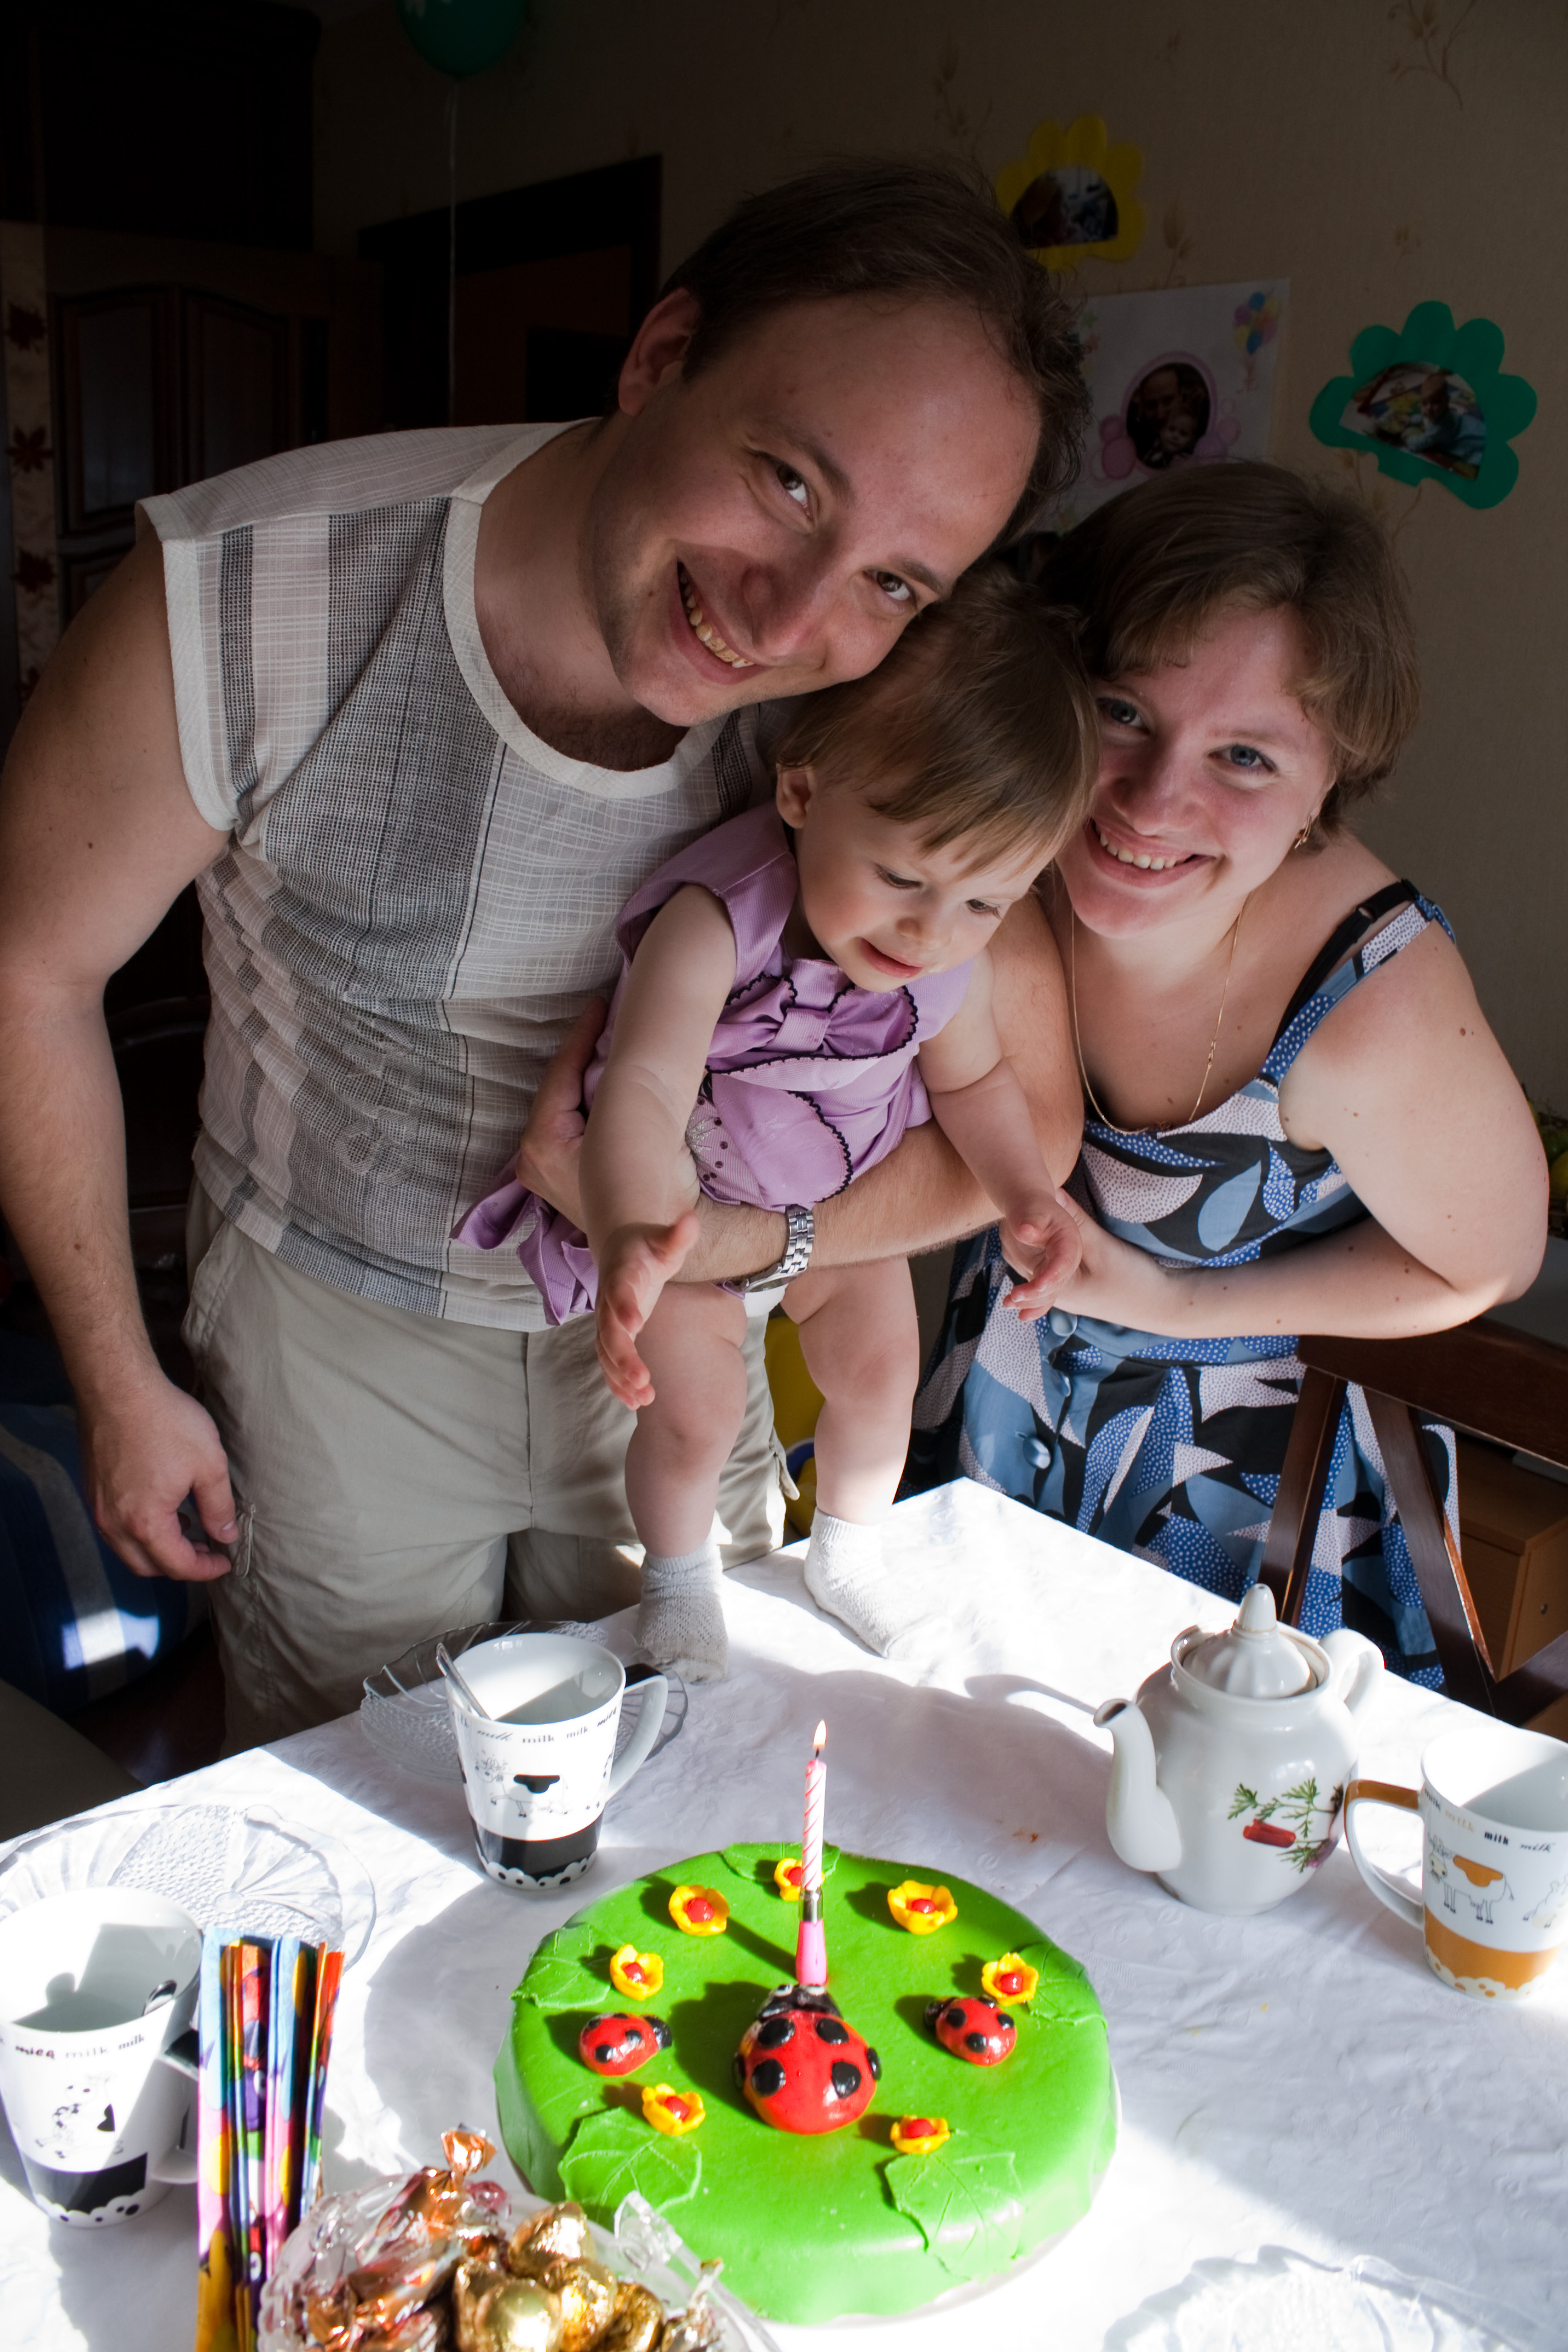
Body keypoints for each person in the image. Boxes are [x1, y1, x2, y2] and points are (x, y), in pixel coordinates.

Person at [0, 159, 1089, 1748]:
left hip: (681, 1339)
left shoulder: (895, 699)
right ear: (662, 357)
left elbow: (1016, 1119)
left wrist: (735, 1245)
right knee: (364, 1777)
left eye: (893, 578)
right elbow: (31, 978)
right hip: (341, 1340)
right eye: (791, 482)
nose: (788, 619)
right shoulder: (238, 595)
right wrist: (115, 1375)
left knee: (688, 1772)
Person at [908, 462, 1546, 1682]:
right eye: (1122, 711)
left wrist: (1172, 1301)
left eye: (1245, 756)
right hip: (1001, 1407)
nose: (1154, 800)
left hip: (1248, 1506)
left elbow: (1487, 1263)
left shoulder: (1367, 1007)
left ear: (1326, 787)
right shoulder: (998, 851)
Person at [460, 568, 1095, 1676]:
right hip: (684, 1203)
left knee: (880, 1369)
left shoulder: (950, 956)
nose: (930, 931)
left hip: (838, 1205)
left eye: (985, 901)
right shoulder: (720, 920)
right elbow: (642, 1088)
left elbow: (978, 1086)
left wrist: (1025, 1192)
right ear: (801, 795)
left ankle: (850, 1550)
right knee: (695, 1416)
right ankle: (677, 1580)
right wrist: (628, 1234)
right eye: (900, 875)